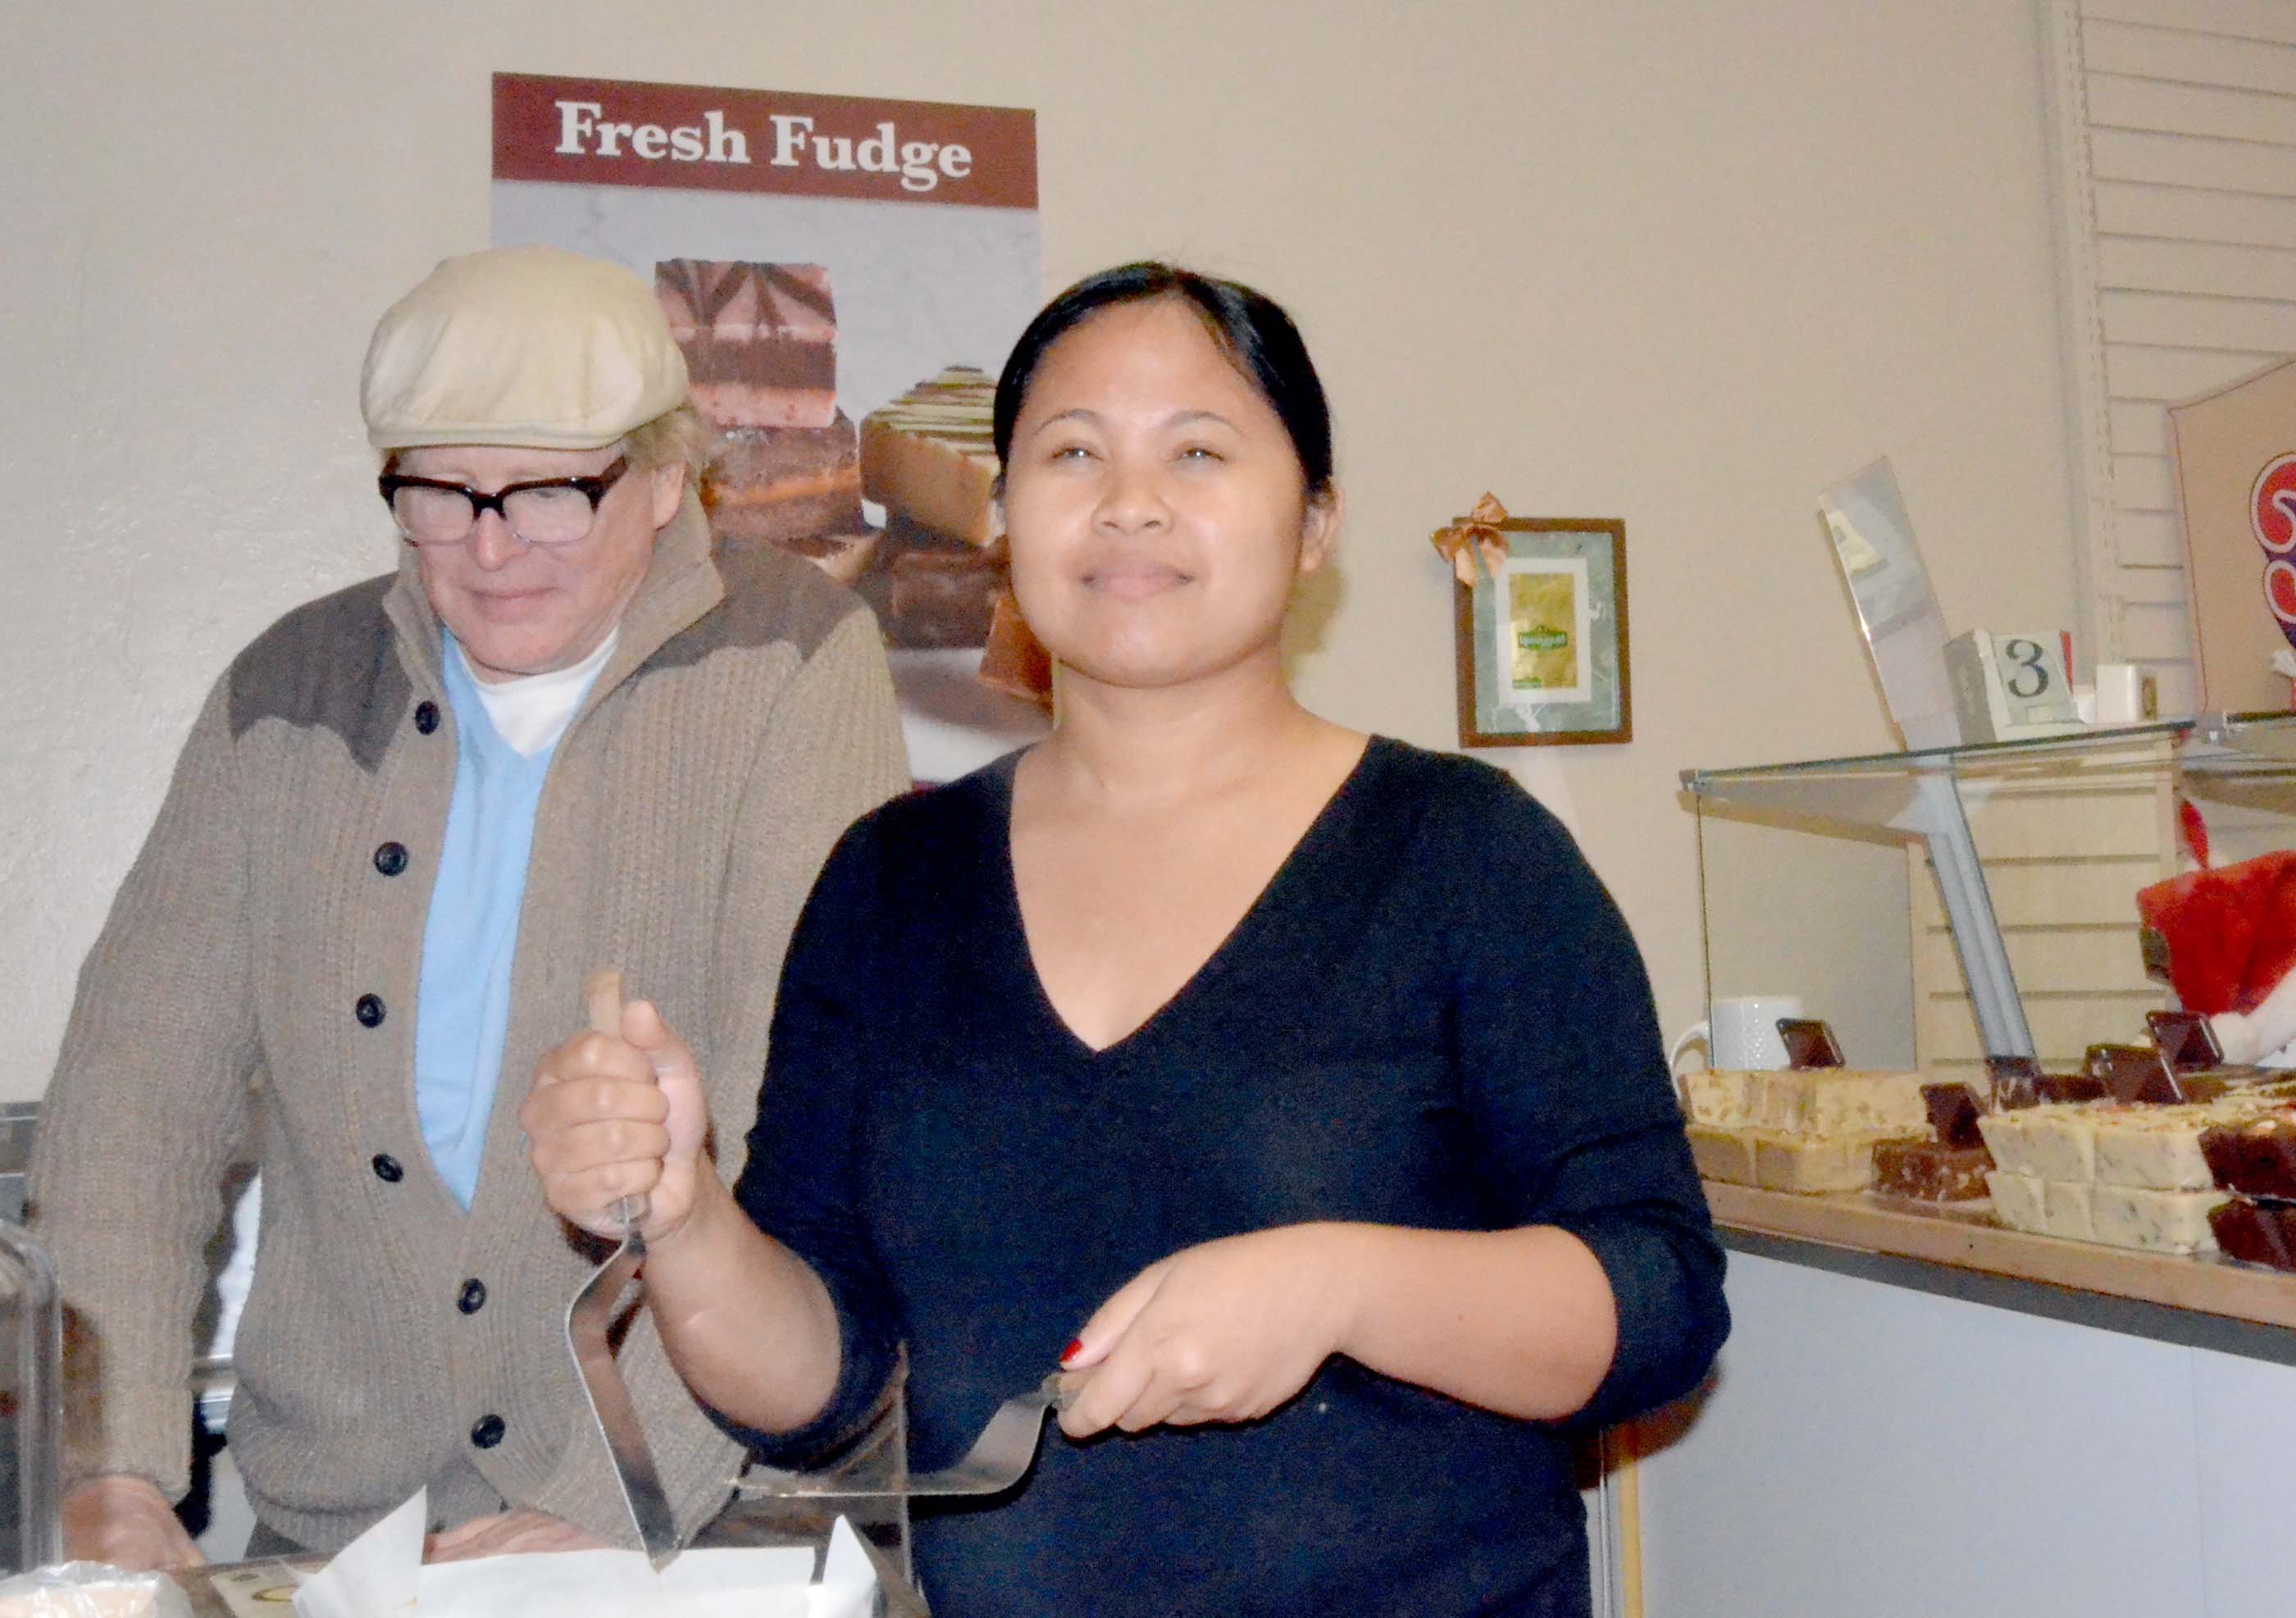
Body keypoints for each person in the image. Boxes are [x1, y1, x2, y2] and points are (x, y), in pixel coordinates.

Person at [525, 262, 1728, 1615]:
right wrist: (683, 1217)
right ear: (998, 515)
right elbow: (819, 1384)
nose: (1131, 501)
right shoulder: (890, 883)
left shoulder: (1467, 855)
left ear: (1315, 521)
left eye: (1199, 450)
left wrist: (1339, 1282)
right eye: (1073, 451)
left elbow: (1660, 1299)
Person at [31, 244, 909, 1570]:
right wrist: (107, 1471)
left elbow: (800, 1128)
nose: (490, 545)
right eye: (440, 492)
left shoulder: (791, 660)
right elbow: (129, 1110)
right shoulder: (287, 695)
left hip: (697, 1517)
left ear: (668, 475)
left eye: (550, 492)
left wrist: (611, 1497)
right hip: (342, 1538)